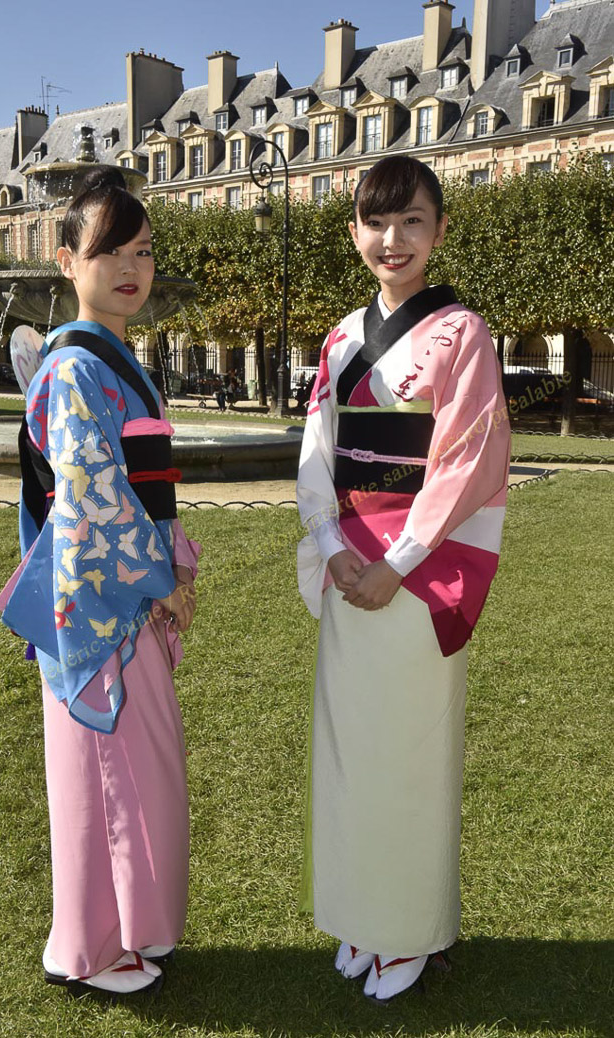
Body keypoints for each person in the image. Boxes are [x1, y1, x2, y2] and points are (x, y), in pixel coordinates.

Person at [296, 155, 510, 1004]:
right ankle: (360, 917)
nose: (392, 238)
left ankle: (409, 932)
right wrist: (328, 539)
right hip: (350, 559)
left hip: (417, 569)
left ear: (439, 230)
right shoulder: (341, 337)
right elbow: (318, 446)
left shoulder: (462, 333)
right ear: (353, 230)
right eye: (375, 221)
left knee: (409, 753)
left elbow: (465, 461)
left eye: (411, 220)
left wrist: (396, 563)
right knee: (349, 751)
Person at [0, 168, 200, 996]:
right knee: (109, 772)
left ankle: (113, 933)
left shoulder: (109, 363)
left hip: (123, 586)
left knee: (131, 770)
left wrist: (174, 563)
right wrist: (158, 576)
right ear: (67, 259)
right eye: (109, 249)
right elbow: (90, 493)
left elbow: (142, 486)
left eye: (142, 251)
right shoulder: (77, 367)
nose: (129, 267)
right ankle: (88, 948)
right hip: (99, 599)